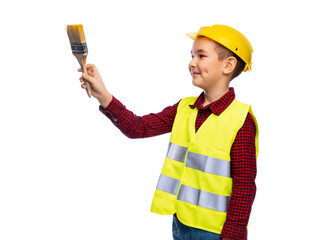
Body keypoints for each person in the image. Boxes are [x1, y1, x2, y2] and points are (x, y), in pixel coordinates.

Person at [78, 24, 259, 240]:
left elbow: (244, 183)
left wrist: (235, 231)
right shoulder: (184, 108)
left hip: (217, 232)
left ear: (228, 65)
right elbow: (138, 127)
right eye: (192, 55)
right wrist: (104, 95)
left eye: (201, 56)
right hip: (180, 223)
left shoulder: (241, 120)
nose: (192, 62)